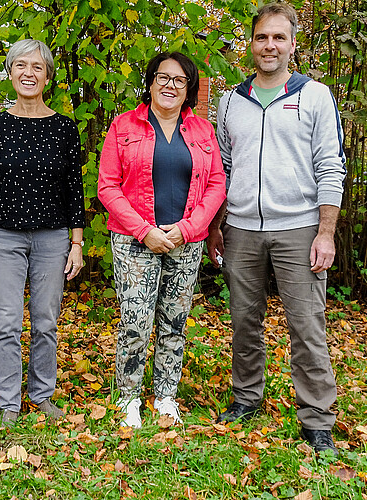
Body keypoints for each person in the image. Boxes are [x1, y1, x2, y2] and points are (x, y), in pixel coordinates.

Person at [207, 2, 345, 455]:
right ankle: (247, 398)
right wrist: (216, 227)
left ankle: (317, 417)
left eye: (278, 37)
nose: (269, 45)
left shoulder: (316, 96)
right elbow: (223, 168)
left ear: (291, 43)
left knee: (306, 325)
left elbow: (330, 167)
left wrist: (325, 232)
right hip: (242, 229)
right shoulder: (231, 101)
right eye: (262, 37)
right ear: (252, 43)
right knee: (244, 321)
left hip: (300, 228)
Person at [98, 52, 226, 428]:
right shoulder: (123, 127)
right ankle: (128, 396)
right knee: (136, 320)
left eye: (179, 80)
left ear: (189, 89)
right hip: (134, 240)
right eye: (162, 77)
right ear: (151, 82)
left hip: (186, 242)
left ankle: (166, 396)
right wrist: (145, 230)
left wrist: (187, 229)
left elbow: (217, 184)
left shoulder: (202, 131)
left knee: (174, 320)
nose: (170, 85)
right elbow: (107, 185)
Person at [0, 39, 85, 428]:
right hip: (3, 238)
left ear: (48, 76)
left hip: (52, 239)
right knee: (5, 322)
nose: (28, 73)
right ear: (10, 72)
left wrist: (77, 244)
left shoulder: (64, 128)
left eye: (37, 67)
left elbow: (75, 190)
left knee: (46, 320)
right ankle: (8, 404)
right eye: (21, 65)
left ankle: (41, 394)